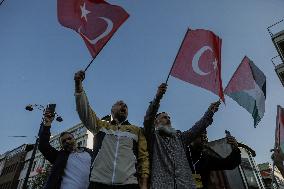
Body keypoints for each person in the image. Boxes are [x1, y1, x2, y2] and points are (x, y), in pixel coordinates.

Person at [74, 70, 149, 189]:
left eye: (125, 106)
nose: (124, 106)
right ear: (112, 110)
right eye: (120, 104)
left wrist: (144, 185)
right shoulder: (101, 126)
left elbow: (143, 158)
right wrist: (78, 86)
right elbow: (85, 112)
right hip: (98, 183)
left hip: (129, 184)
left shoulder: (136, 130)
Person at [143, 83, 220, 189]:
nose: (168, 119)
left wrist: (210, 112)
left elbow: (197, 128)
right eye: (164, 117)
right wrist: (157, 98)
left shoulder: (180, 138)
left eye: (169, 117)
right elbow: (148, 119)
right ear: (156, 123)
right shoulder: (152, 137)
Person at [39, 109, 92, 189]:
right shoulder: (59, 156)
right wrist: (47, 124)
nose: (67, 141)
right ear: (62, 146)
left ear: (74, 139)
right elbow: (43, 146)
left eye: (69, 138)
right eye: (63, 141)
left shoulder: (89, 153)